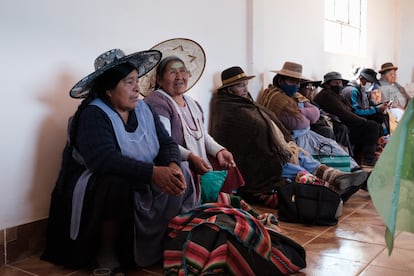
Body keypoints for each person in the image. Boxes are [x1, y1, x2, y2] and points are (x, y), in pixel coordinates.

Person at [41, 49, 198, 272]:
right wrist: (153, 173)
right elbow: (104, 160)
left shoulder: (144, 109)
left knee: (181, 168)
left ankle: (168, 240)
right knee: (115, 183)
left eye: (137, 80)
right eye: (128, 82)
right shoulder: (93, 114)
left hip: (140, 173)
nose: (137, 88)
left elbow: (167, 143)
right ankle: (107, 251)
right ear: (108, 90)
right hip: (98, 185)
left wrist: (172, 164)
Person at [209, 66, 368, 208]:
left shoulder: (246, 102)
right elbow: (299, 121)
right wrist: (279, 146)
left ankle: (340, 178)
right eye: (240, 85)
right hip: (258, 156)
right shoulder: (228, 109)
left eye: (245, 84)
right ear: (229, 89)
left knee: (306, 157)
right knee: (296, 167)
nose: (245, 89)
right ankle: (332, 190)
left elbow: (305, 117)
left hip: (277, 147)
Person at [143, 38, 243, 196]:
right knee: (186, 171)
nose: (179, 76)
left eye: (183, 71)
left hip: (194, 157)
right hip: (175, 161)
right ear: (159, 80)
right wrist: (191, 157)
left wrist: (219, 151)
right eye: (172, 72)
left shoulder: (192, 103)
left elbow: (203, 135)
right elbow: (165, 142)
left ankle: (223, 204)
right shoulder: (158, 101)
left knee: (226, 163)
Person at [256, 62, 360, 170]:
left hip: (307, 135)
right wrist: (306, 114)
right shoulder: (277, 100)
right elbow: (300, 122)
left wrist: (301, 111)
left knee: (333, 147)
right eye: (292, 81)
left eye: (298, 82)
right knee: (323, 156)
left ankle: (355, 170)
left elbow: (315, 114)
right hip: (295, 140)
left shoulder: (295, 96)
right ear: (281, 80)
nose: (296, 86)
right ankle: (344, 174)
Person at [313, 71, 381, 167]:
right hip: (338, 125)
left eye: (340, 82)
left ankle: (362, 158)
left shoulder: (337, 95)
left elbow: (351, 110)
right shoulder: (327, 95)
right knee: (372, 126)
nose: (339, 85)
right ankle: (368, 160)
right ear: (328, 85)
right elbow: (344, 113)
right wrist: (363, 121)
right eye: (336, 83)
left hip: (345, 122)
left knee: (375, 122)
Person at [341, 68, 390, 136]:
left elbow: (369, 105)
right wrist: (377, 109)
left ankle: (386, 137)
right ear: (361, 79)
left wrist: (381, 105)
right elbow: (356, 112)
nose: (371, 85)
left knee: (381, 116)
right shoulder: (352, 91)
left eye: (372, 83)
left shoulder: (363, 90)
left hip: (360, 117)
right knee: (374, 125)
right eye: (369, 82)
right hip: (351, 121)